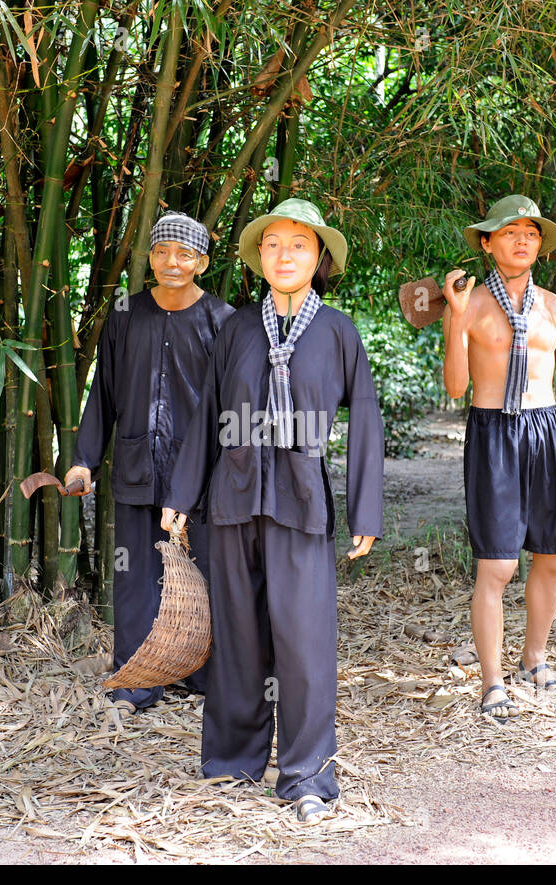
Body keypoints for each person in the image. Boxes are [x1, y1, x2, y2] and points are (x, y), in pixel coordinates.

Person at [161, 198, 383, 824]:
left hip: (300, 498)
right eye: (273, 245)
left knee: (304, 640)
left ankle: (308, 777)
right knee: (235, 636)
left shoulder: (338, 331)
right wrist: (181, 497)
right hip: (232, 497)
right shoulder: (234, 329)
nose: (285, 256)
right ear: (260, 257)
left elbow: (364, 419)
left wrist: (366, 508)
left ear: (319, 259)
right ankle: (233, 760)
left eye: (299, 245)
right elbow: (207, 414)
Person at [440, 194, 556, 723]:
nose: (522, 240)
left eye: (531, 233)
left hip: (546, 433)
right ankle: (492, 682)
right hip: (493, 431)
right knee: (497, 563)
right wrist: (452, 319)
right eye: (509, 231)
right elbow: (454, 388)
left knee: (553, 554)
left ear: (540, 245)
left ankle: (533, 661)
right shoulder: (468, 305)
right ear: (488, 243)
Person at [64, 212, 233, 712]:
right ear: (149, 259)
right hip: (137, 462)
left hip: (200, 473)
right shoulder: (124, 315)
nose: (171, 263)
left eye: (184, 254)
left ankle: (205, 674)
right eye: (161, 252)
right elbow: (105, 393)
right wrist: (84, 460)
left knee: (205, 571)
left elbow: (230, 406)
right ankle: (138, 680)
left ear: (202, 262)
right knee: (135, 574)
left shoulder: (222, 321)